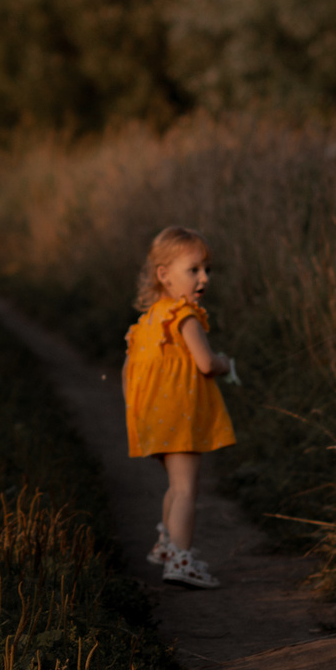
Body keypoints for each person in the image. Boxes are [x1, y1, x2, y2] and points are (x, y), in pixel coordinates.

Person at [123, 225, 236, 590]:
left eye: (207, 269)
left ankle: (167, 546)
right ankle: (181, 559)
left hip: (153, 418)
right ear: (164, 275)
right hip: (181, 417)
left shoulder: (147, 321)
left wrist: (137, 412)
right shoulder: (184, 316)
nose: (204, 278)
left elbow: (128, 372)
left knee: (175, 486)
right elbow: (205, 363)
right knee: (187, 488)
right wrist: (224, 362)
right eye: (194, 270)